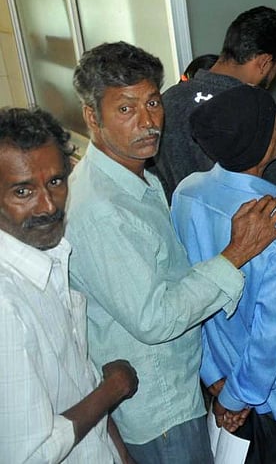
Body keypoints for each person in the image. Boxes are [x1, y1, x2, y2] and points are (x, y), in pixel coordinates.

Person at [67, 41, 276, 462]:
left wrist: (210, 371)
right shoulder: (102, 210)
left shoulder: (138, 177)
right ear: (92, 117)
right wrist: (235, 254)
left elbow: (174, 277)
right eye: (126, 109)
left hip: (179, 377)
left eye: (153, 102)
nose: (148, 121)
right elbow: (157, 318)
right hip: (159, 404)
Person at [152, 6, 276, 448]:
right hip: (274, 368)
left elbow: (178, 260)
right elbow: (272, 324)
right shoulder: (261, 119)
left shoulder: (168, 111)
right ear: (263, 63)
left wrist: (216, 379)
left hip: (208, 325)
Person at [172, 86, 276, 462]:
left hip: (219, 370)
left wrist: (214, 377)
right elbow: (269, 330)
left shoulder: (187, 192)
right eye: (274, 123)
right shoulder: (275, 221)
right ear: (256, 142)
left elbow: (186, 287)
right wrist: (237, 397)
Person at [0, 107, 138, 463]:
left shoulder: (49, 255)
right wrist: (112, 389)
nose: (48, 206)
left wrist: (121, 454)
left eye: (56, 182)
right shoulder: (6, 305)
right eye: (23, 191)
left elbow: (77, 380)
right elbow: (29, 457)